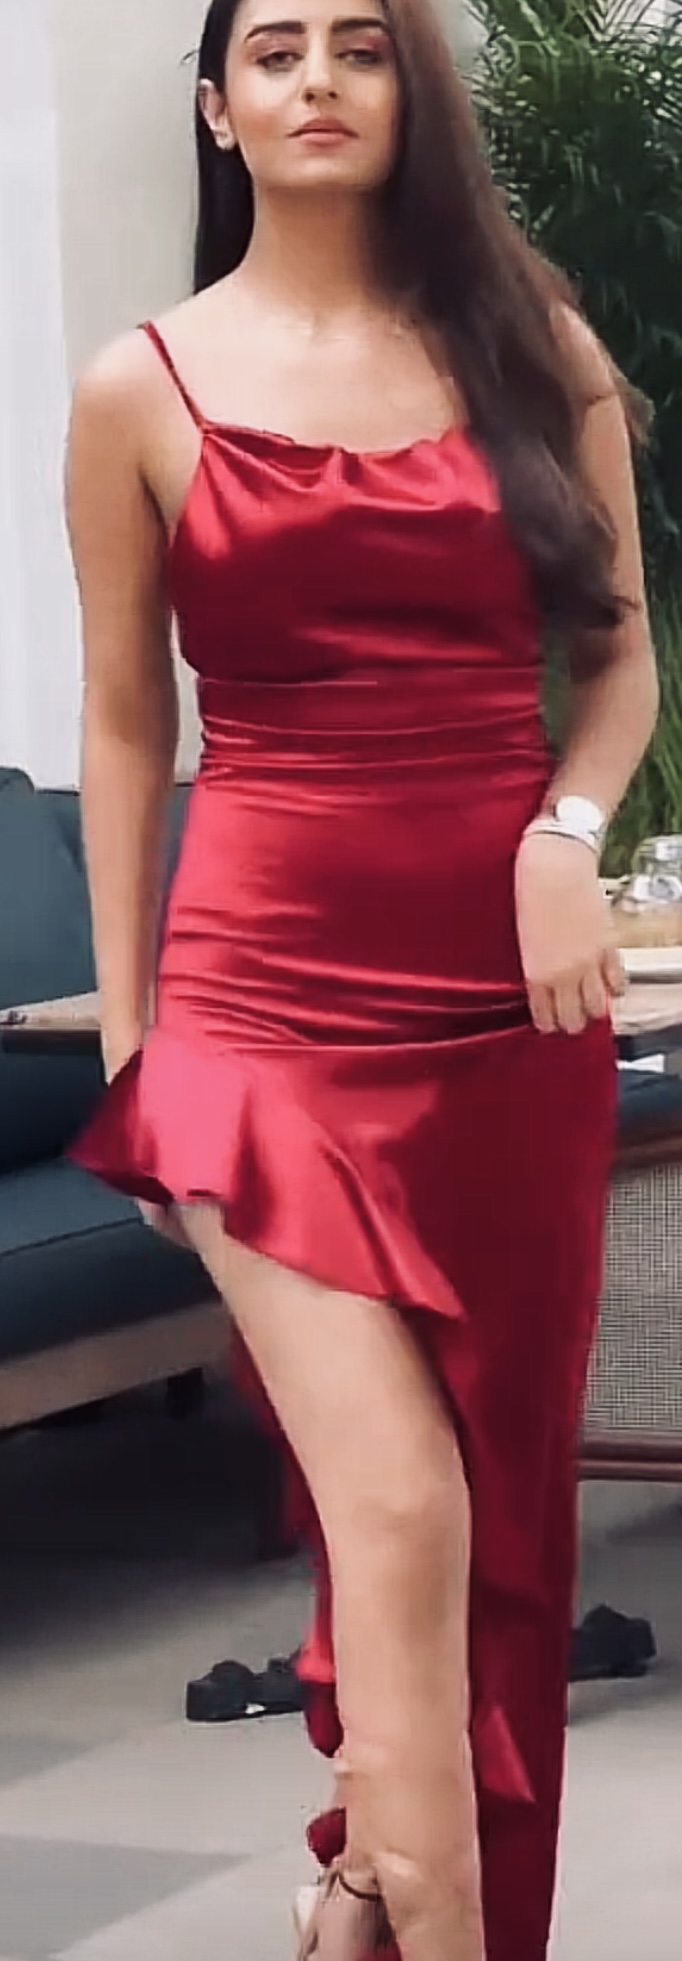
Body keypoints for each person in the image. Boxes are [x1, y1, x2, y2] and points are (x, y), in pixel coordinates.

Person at [65, 0, 658, 1954]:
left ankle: (357, 1905)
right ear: (216, 107)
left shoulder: (533, 347)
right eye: (276, 49)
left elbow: (617, 664)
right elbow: (128, 727)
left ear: (411, 91)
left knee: (493, 1520)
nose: (316, 78)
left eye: (359, 45)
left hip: (511, 1018)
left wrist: (563, 837)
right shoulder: (139, 386)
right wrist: (141, 1046)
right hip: (260, 1019)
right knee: (398, 1508)